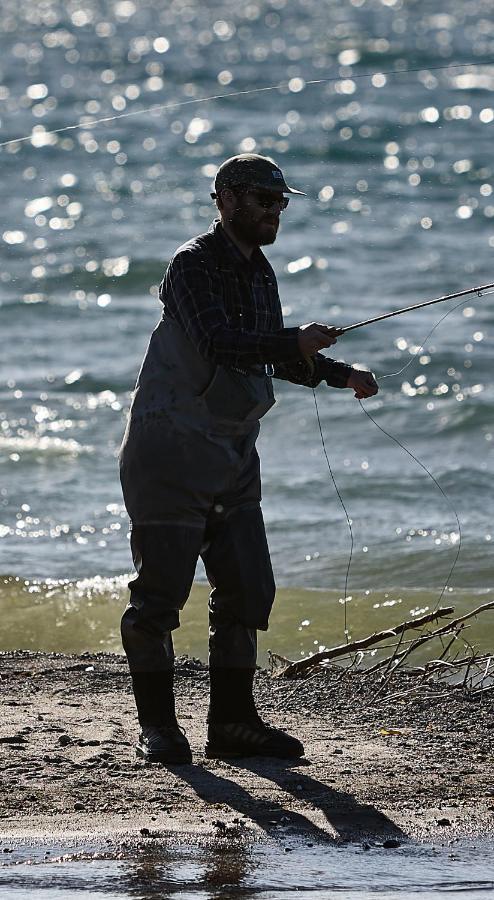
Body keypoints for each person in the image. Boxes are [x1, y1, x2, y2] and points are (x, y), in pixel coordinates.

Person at [119, 153, 378, 765]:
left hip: (232, 454)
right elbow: (219, 342)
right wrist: (292, 340)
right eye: (264, 201)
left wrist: (340, 375)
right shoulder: (191, 267)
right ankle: (158, 728)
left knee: (248, 590)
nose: (274, 213)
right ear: (227, 200)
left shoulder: (261, 273)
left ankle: (232, 725)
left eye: (281, 204)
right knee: (159, 599)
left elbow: (274, 357)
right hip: (170, 453)